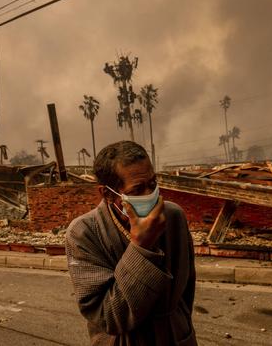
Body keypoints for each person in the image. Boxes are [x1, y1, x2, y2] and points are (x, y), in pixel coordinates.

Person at [65, 141, 197, 345]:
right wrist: (141, 246)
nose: (149, 196)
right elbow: (108, 316)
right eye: (137, 190)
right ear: (108, 194)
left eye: (152, 184)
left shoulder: (174, 216)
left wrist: (180, 325)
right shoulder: (83, 232)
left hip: (176, 336)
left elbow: (187, 289)